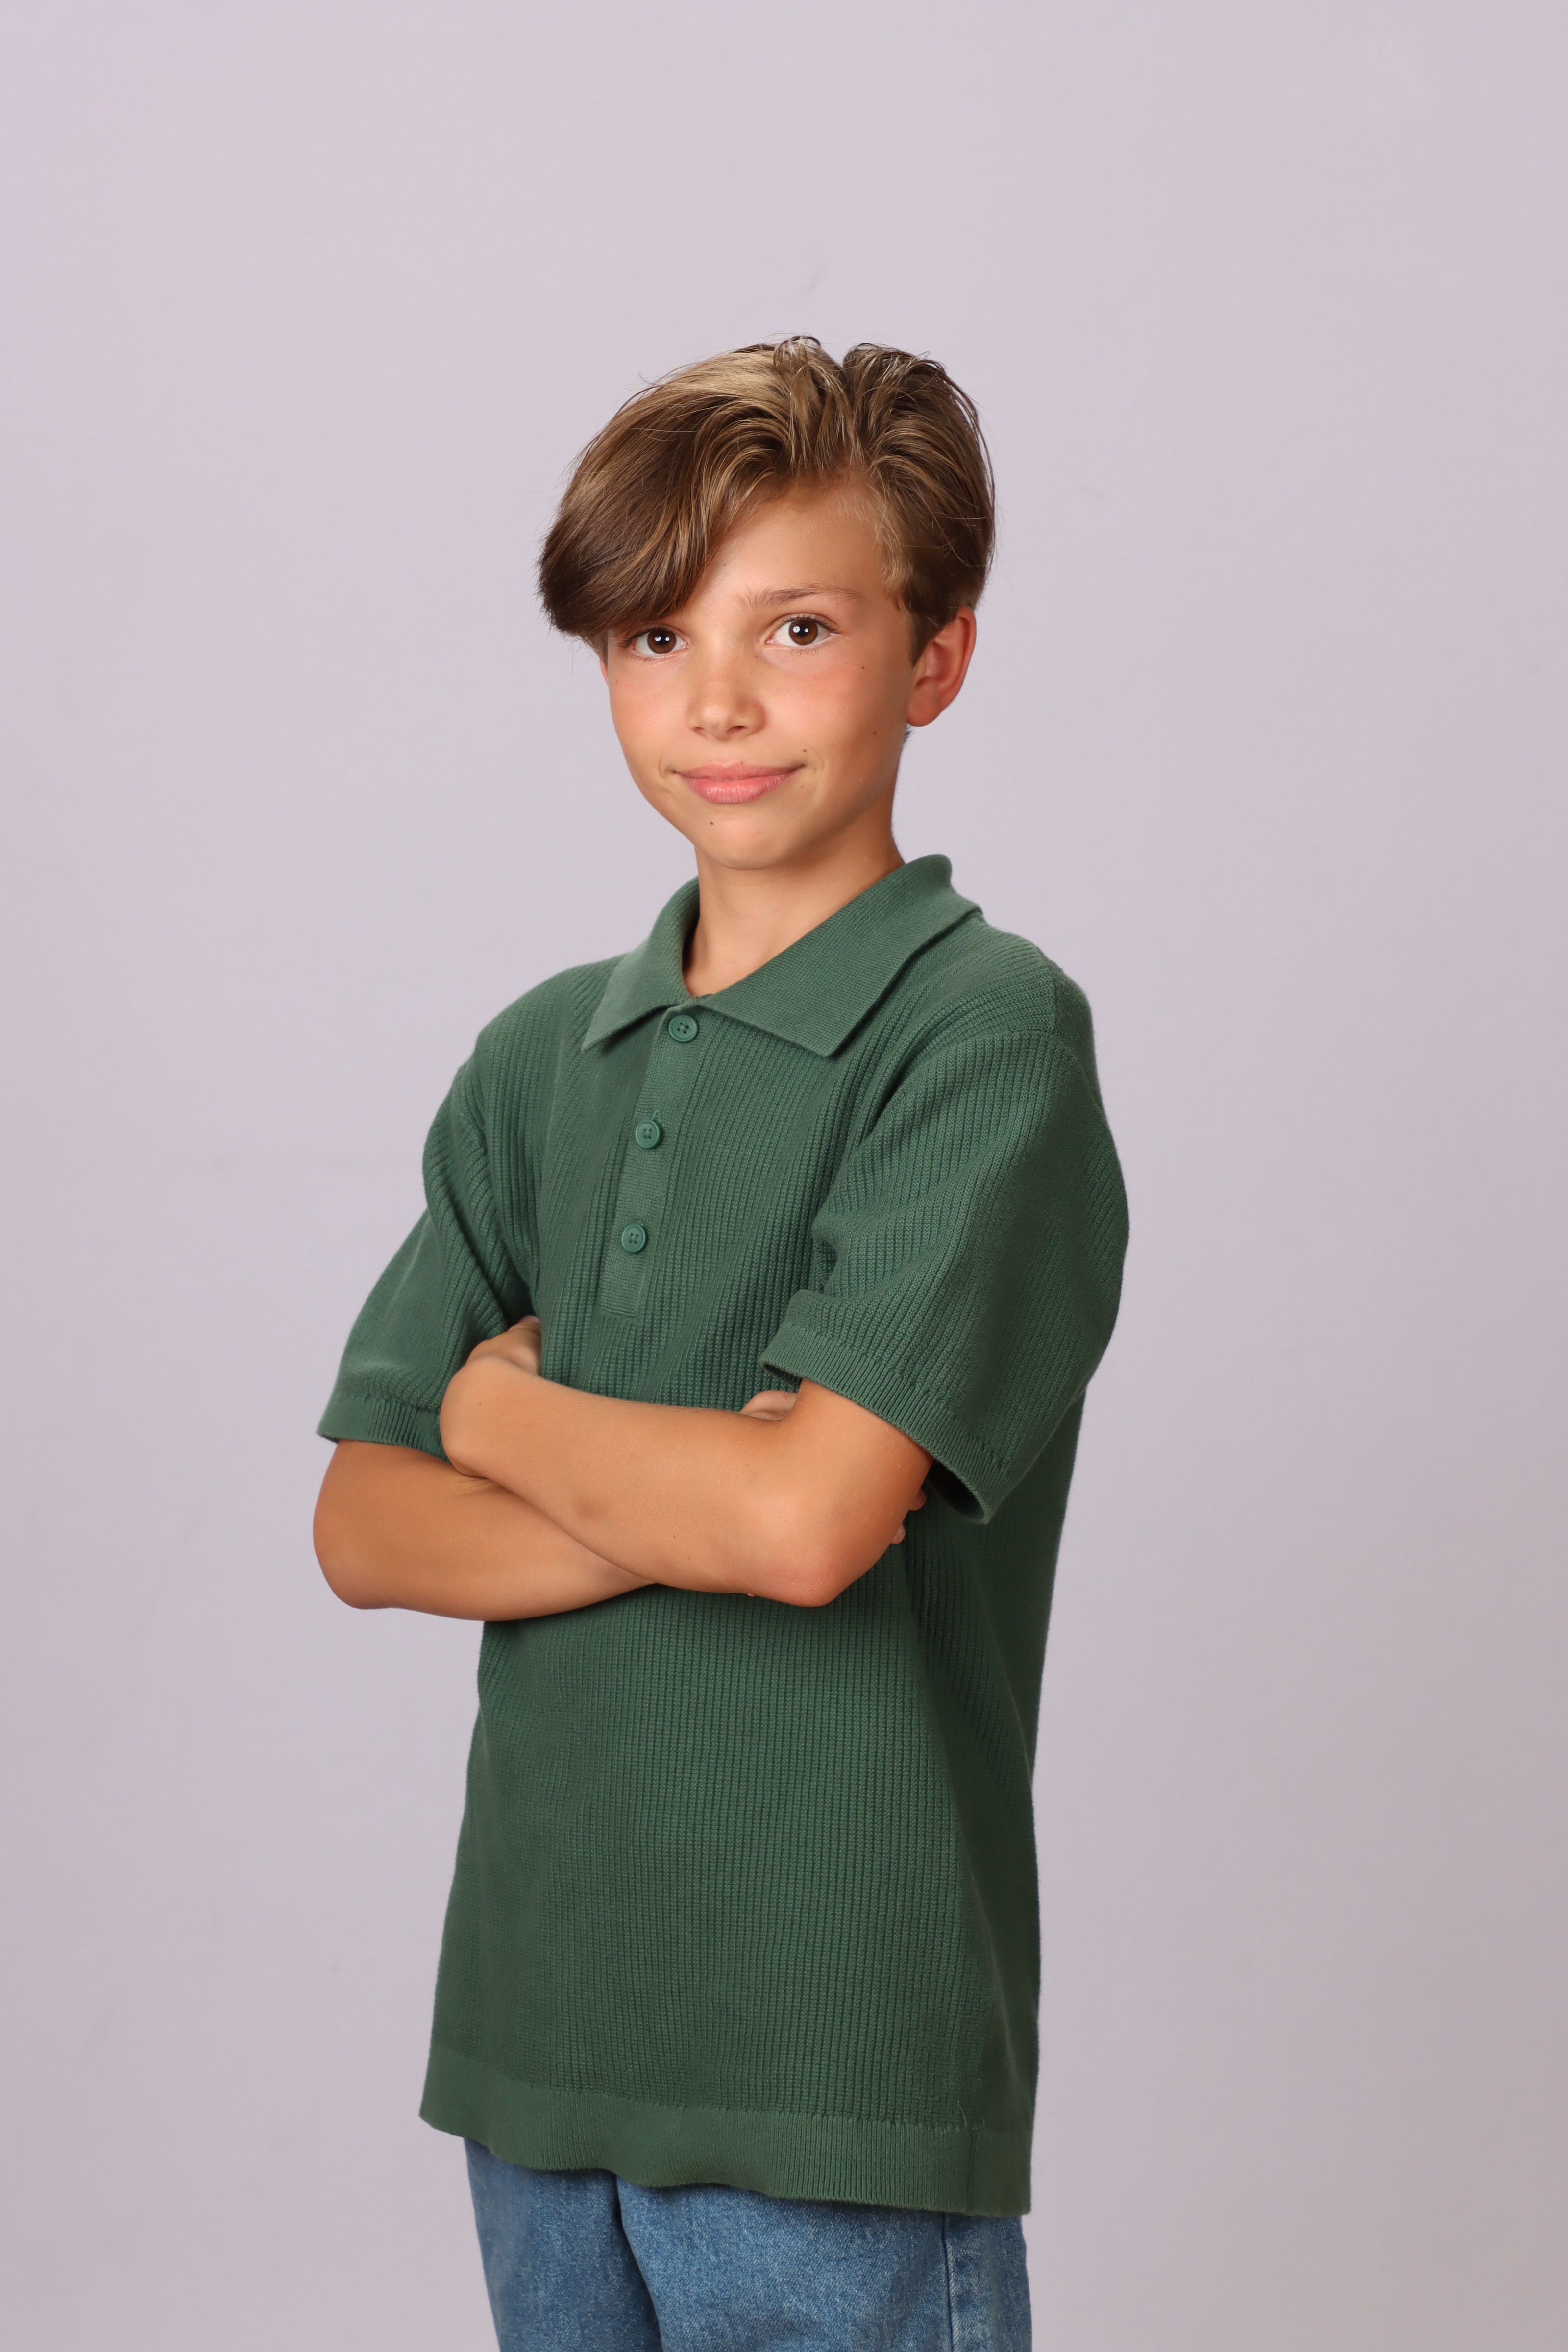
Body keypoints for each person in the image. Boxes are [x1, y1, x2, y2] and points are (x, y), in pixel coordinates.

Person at [313, 337, 1128, 2351]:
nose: (719, 703)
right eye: (657, 636)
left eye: (799, 628)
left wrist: (502, 1413)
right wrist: (708, 1488)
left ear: (935, 655)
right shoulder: (540, 1058)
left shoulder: (981, 1034)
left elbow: (803, 1526)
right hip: (536, 2047)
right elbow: (364, 1527)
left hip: (831, 2075)